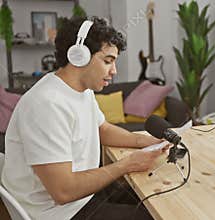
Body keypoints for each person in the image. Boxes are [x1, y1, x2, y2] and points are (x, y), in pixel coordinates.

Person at [1, 17, 164, 220]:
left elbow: (101, 128)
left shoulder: (81, 90)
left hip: (82, 197)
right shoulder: (47, 104)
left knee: (158, 198)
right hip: (61, 212)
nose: (114, 71)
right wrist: (127, 164)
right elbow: (64, 191)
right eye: (108, 61)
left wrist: (146, 141)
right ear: (79, 56)